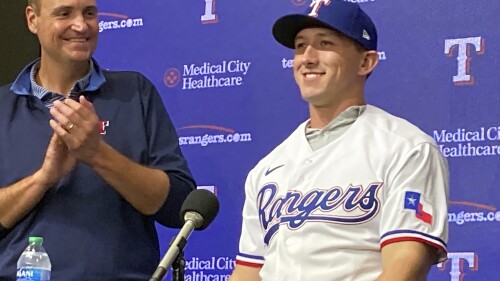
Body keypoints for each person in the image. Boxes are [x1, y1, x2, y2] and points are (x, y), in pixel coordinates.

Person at [229, 1, 449, 280]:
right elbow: (248, 271)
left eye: (324, 43)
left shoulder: (407, 149)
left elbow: (404, 267)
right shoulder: (266, 168)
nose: (307, 58)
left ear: (365, 61)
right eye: (300, 46)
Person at [0, 0, 196, 280]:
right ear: (33, 20)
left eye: (89, 13)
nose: (81, 25)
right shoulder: (2, 106)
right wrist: (44, 178)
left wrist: (97, 154)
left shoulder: (135, 93)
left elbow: (180, 206)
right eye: (64, 13)